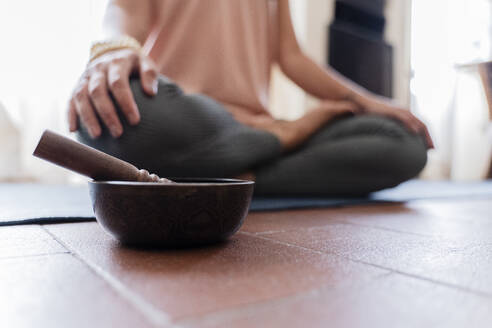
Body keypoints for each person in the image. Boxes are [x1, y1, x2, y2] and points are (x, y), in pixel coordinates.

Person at [68, 0, 432, 196]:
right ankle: (279, 141)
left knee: (404, 141)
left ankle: (207, 178)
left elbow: (291, 56)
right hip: (181, 119)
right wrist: (112, 50)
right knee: (105, 112)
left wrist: (368, 100)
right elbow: (123, 11)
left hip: (249, 131)